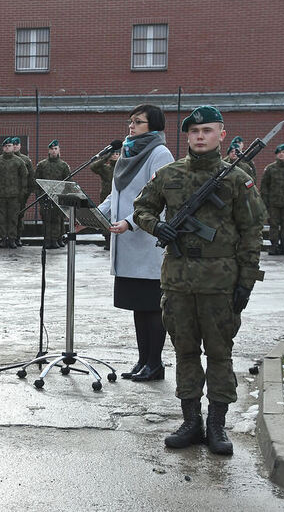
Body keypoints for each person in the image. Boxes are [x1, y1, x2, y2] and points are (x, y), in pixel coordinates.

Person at [133, 105, 266, 455]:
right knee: (185, 352)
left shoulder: (238, 179)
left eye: (208, 130)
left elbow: (252, 232)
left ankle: (217, 424)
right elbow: (141, 208)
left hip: (221, 281)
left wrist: (246, 281)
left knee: (220, 354)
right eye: (194, 132)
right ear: (187, 136)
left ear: (221, 134)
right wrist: (155, 224)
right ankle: (190, 420)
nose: (201, 137)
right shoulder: (168, 174)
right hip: (177, 280)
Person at [98, 104, 174, 382]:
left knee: (153, 307)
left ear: (153, 126)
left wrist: (130, 222)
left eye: (138, 122)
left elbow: (161, 196)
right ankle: (143, 360)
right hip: (125, 243)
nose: (131, 126)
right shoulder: (128, 152)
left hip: (146, 241)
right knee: (138, 307)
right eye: (131, 121)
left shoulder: (159, 153)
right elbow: (115, 196)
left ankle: (155, 364)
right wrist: (93, 216)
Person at [0, 138, 28, 248]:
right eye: (5, 146)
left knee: (13, 218)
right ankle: (3, 238)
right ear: (3, 148)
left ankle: (12, 239)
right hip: (0, 196)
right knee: (2, 219)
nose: (8, 148)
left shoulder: (19, 161)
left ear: (13, 147)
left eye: (10, 146)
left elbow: (24, 178)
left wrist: (22, 193)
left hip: (14, 196)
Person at [35, 140, 70, 248]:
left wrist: (64, 197)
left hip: (58, 197)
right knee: (46, 219)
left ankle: (55, 239)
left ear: (59, 150)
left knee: (57, 219)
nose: (54, 151)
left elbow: (67, 183)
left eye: (56, 149)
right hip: (45, 197)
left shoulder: (63, 165)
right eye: (52, 149)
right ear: (48, 151)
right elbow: (36, 181)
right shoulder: (42, 165)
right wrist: (39, 195)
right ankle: (47, 239)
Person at [90, 148, 120, 250]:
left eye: (117, 153)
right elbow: (93, 167)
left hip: (119, 198)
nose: (115, 155)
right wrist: (106, 157)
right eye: (114, 154)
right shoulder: (106, 169)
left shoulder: (122, 168)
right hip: (106, 198)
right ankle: (107, 241)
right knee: (106, 219)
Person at [12, 137, 35, 247]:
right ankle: (7, 237)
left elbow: (31, 177)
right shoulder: (4, 159)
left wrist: (27, 192)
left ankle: (17, 237)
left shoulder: (26, 160)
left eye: (17, 144)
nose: (15, 146)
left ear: (20, 146)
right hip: (7, 193)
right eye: (13, 144)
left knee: (19, 216)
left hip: (21, 194)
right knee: (8, 217)